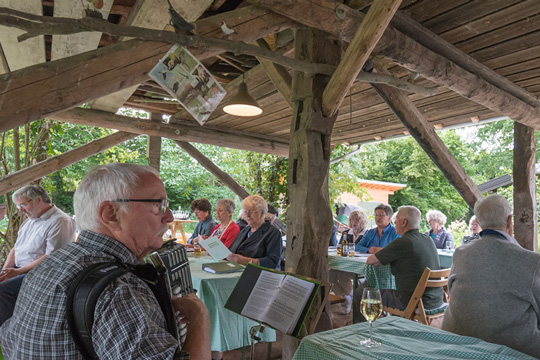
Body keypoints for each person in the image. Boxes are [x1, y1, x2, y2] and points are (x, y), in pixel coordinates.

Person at [0, 163, 211, 359]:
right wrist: (199, 316)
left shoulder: (54, 263)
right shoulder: (118, 290)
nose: (169, 217)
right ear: (111, 214)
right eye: (159, 205)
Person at [442, 195, 540, 358]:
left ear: (479, 223)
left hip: (455, 338)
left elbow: (452, 293)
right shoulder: (531, 260)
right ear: (510, 221)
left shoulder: (461, 253)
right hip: (512, 347)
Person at [0, 185, 75, 326]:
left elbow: (52, 257)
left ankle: (7, 333)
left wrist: (16, 272)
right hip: (20, 270)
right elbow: (17, 247)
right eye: (18, 206)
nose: (20, 210)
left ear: (38, 199)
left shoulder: (60, 220)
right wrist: (6, 270)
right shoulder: (29, 221)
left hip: (43, 274)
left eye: (23, 204)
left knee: (3, 291)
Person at [353, 206, 443, 321]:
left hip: (413, 300)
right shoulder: (427, 239)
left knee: (362, 292)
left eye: (397, 219)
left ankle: (362, 331)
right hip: (435, 299)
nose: (394, 222)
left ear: (404, 222)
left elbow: (371, 261)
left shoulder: (403, 242)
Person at [329, 210, 369, 314]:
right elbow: (340, 247)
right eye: (352, 219)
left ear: (362, 221)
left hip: (360, 265)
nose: (354, 222)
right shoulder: (346, 233)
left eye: (357, 219)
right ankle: (347, 297)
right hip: (344, 263)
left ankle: (351, 298)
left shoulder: (368, 234)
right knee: (329, 275)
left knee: (343, 276)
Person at [227, 195, 282, 269]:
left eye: (251, 212)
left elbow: (272, 262)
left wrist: (245, 261)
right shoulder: (245, 230)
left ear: (262, 213)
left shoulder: (272, 233)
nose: (247, 215)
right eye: (245, 212)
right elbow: (231, 251)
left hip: (256, 275)